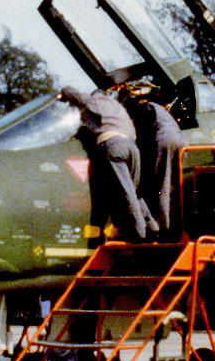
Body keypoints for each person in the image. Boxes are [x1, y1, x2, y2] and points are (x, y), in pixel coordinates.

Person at [57, 85, 157, 243]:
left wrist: (64, 92)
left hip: (114, 147)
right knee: (134, 191)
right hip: (132, 148)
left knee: (126, 192)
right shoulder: (116, 107)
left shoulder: (95, 100)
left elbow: (74, 93)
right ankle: (152, 226)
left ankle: (140, 233)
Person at [119, 81, 185, 240]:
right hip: (179, 142)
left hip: (164, 142)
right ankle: (170, 224)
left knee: (160, 184)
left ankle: (163, 227)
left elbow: (142, 139)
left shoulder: (144, 110)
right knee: (170, 185)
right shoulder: (156, 108)